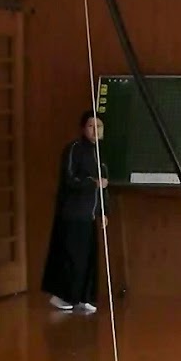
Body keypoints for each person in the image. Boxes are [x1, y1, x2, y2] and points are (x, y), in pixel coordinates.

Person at [42, 111, 109, 313]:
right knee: (72, 257)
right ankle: (63, 296)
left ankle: (83, 297)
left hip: (89, 215)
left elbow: (104, 188)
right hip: (72, 214)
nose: (95, 130)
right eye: (91, 126)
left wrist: (104, 212)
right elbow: (70, 179)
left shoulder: (99, 153)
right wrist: (93, 183)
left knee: (88, 258)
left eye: (99, 127)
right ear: (83, 128)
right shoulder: (74, 149)